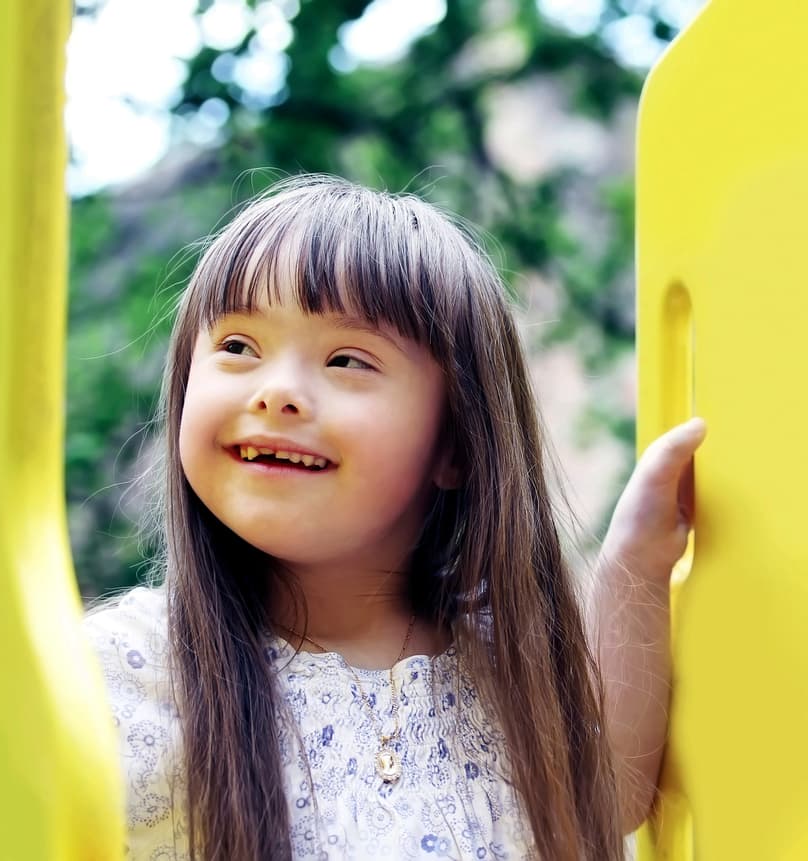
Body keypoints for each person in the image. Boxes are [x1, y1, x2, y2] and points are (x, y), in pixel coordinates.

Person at [82, 175, 704, 860]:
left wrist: (637, 564)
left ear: (456, 443)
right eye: (237, 347)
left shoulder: (503, 672)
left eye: (347, 359)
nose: (278, 390)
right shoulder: (119, 673)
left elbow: (607, 795)